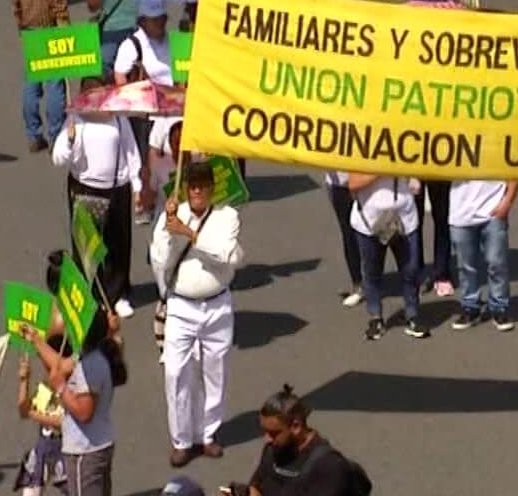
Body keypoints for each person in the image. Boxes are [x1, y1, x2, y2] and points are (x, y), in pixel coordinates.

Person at [152, 160, 246, 466]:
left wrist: (191, 234)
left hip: (217, 303)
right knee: (176, 372)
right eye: (192, 186)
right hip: (181, 305)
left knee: (215, 370)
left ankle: (208, 434)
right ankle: (182, 439)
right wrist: (169, 231)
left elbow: (225, 255)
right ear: (185, 188)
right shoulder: (171, 214)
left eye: (203, 186)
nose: (197, 192)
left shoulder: (226, 216)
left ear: (211, 189)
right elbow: (159, 259)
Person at [56, 74, 145, 317]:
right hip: (85, 188)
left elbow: (131, 151)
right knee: (87, 244)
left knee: (118, 242)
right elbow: (59, 158)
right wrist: (70, 141)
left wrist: (137, 186)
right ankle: (88, 294)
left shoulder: (117, 118)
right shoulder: (75, 120)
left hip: (117, 188)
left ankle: (118, 294)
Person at [21, 308, 127, 496]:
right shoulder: (91, 354)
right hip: (96, 446)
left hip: (85, 453)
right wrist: (36, 340)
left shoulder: (90, 365)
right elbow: (60, 364)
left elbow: (84, 412)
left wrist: (61, 387)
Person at [244, 386, 372, 496]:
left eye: (273, 433)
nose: (266, 439)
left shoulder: (330, 466)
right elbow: (256, 486)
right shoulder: (272, 450)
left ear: (296, 426)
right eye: (265, 431)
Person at [347, 171, 425, 340]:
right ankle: (376, 318)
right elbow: (353, 184)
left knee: (410, 270)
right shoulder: (361, 151)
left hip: (405, 218)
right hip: (369, 222)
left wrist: (414, 177)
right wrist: (382, 171)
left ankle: (412, 315)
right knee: (372, 271)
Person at [14, 0, 72, 152]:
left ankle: (33, 134)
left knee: (31, 86)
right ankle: (56, 135)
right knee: (55, 87)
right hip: (51, 34)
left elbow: (16, 6)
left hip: (31, 34)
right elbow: (61, 15)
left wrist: (22, 26)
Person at [449, 176, 518, 331]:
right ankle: (470, 307)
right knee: (465, 266)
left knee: (496, 263)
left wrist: (507, 201)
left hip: (493, 210)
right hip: (460, 212)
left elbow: (514, 169)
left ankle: (499, 307)